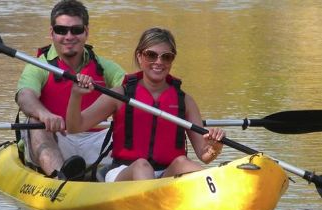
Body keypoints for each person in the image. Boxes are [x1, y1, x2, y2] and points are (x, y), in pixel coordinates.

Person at [66, 27, 226, 182]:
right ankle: (153, 204)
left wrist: (215, 147)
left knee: (182, 162)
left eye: (166, 57)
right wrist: (75, 95)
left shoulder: (185, 101)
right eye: (151, 55)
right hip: (124, 171)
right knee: (142, 166)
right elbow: (74, 127)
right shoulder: (120, 94)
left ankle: (219, 193)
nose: (159, 62)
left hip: (166, 174)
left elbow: (204, 155)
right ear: (139, 56)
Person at [16, 0, 125, 178]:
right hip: (56, 139)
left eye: (76, 30)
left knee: (130, 121)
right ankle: (60, 178)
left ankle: (115, 174)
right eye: (61, 30)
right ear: (52, 33)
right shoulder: (38, 66)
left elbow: (132, 90)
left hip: (98, 140)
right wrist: (44, 114)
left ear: (86, 32)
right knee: (34, 122)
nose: (69, 36)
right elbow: (24, 95)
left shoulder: (104, 67)